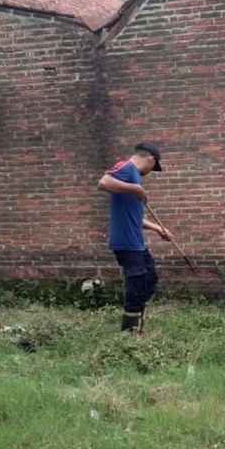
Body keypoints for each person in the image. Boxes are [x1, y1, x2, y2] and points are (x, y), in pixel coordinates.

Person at [97, 142, 173, 332]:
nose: (149, 172)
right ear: (151, 159)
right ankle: (129, 331)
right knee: (137, 284)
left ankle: (138, 323)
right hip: (126, 242)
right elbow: (103, 183)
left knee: (149, 279)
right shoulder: (126, 167)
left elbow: (136, 218)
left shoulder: (134, 177)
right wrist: (136, 189)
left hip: (136, 243)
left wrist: (158, 229)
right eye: (153, 168)